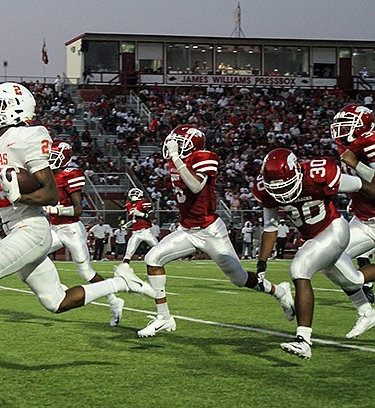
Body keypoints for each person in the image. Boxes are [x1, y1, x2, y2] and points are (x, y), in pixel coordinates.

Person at [0, 82, 155, 376]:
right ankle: (121, 283)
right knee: (56, 302)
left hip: (32, 227)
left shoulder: (29, 136)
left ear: (16, 108)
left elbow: (51, 194)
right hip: (14, 229)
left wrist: (20, 196)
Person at [137, 125, 294, 338]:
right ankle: (163, 317)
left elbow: (195, 187)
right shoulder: (177, 160)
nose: (173, 146)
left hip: (210, 231)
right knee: (153, 259)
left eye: (180, 143)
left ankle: (279, 291)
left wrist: (176, 156)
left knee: (238, 279)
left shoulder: (204, 157)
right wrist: (175, 157)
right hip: (187, 230)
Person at [255, 148, 375, 359]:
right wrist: (262, 262)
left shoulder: (319, 173)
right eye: (277, 188)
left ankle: (303, 340)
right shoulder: (265, 189)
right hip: (314, 237)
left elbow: (360, 185)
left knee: (300, 268)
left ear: (297, 173)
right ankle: (367, 311)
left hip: (334, 229)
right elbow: (270, 227)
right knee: (354, 280)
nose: (283, 193)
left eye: (286, 185)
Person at [44, 141, 126, 326]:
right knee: (34, 254)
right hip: (55, 228)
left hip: (71, 229)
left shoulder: (70, 175)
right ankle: (57, 288)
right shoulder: (49, 175)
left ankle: (114, 301)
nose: (49, 160)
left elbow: (78, 209)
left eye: (54, 156)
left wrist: (57, 211)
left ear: (64, 159)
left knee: (86, 273)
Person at [332, 104, 375, 307]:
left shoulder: (370, 141)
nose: (340, 129)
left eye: (346, 125)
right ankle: (365, 305)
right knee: (331, 258)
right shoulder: (351, 145)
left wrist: (356, 164)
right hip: (365, 220)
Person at [122, 187, 158, 264]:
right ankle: (124, 267)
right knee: (128, 253)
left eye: (135, 194)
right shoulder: (129, 205)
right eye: (133, 194)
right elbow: (134, 219)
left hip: (146, 231)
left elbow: (152, 217)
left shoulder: (144, 202)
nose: (134, 195)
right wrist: (127, 225)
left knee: (158, 248)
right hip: (135, 232)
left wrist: (141, 214)